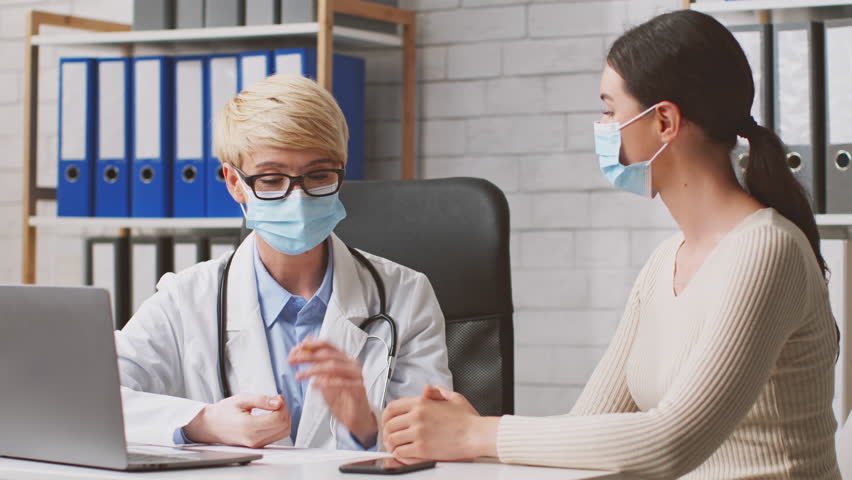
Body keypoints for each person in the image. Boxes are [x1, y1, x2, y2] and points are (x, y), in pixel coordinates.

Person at [380, 10, 841, 479]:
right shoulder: (665, 264)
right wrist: (467, 431)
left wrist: (478, 434)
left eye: (610, 109)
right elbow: (589, 428)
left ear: (664, 121)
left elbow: (669, 443)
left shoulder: (767, 250)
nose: (603, 126)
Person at [115, 74, 452, 451]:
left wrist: (366, 426)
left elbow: (439, 438)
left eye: (319, 175)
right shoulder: (186, 299)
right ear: (234, 182)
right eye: (272, 179)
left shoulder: (405, 295)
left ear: (341, 172)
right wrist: (203, 423)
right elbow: (93, 396)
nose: (298, 197)